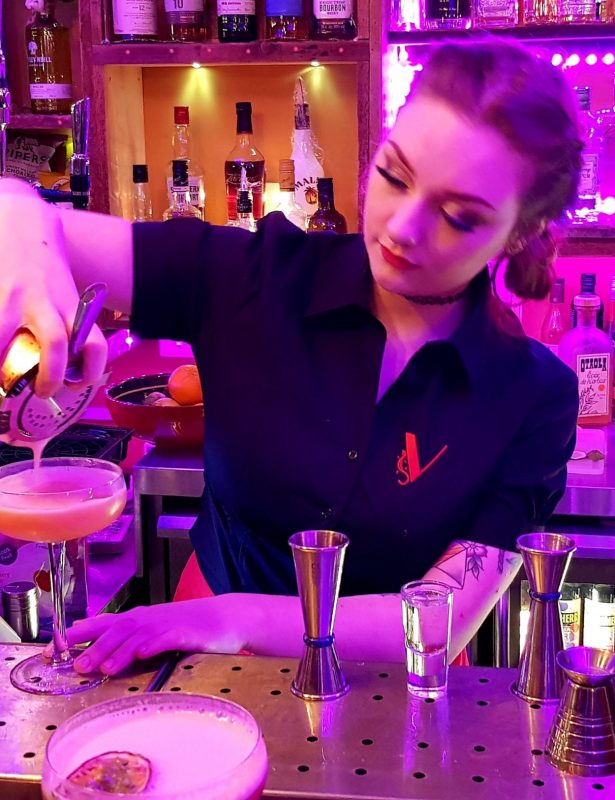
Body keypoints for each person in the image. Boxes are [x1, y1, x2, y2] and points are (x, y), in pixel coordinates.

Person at [0, 38, 581, 676]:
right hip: (208, 659)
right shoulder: (256, 278)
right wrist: (28, 258)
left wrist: (230, 618)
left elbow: (437, 617)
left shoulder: (533, 395)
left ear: (521, 232)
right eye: (393, 175)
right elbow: (23, 215)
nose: (400, 228)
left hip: (393, 681)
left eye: (458, 217)